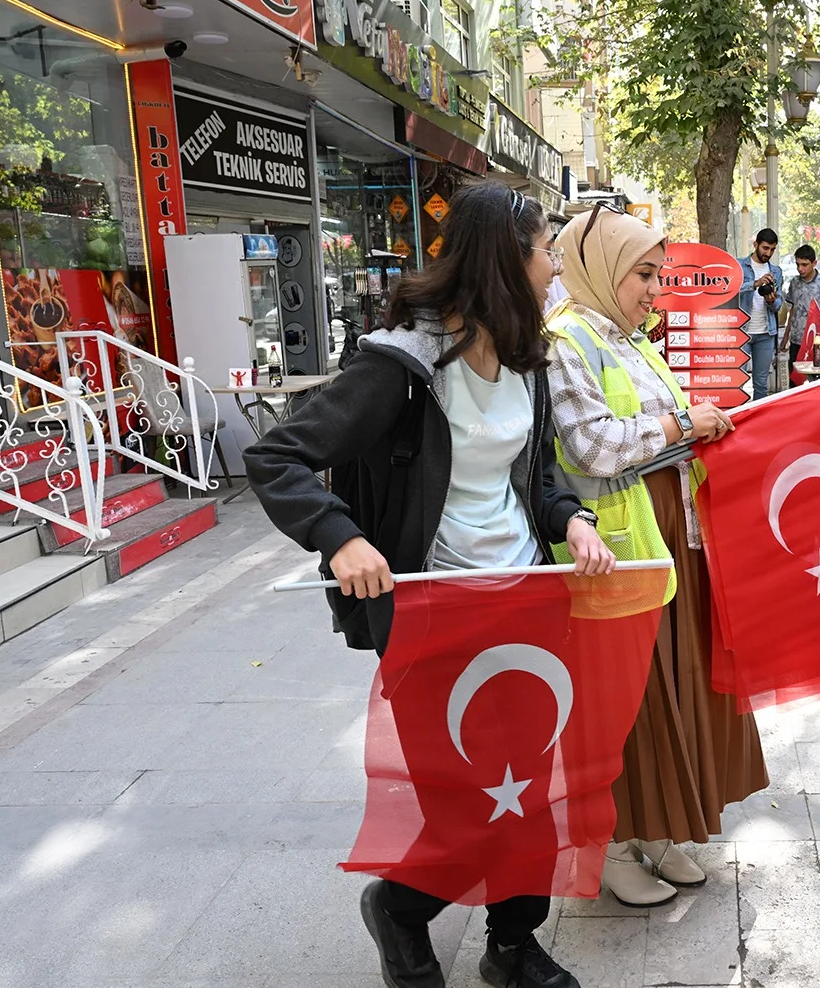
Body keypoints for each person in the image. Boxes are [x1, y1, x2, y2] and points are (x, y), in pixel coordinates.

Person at [245, 184, 614, 988]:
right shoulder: (403, 366)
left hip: (524, 602)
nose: (555, 267)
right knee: (467, 799)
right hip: (435, 614)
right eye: (546, 250)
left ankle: (512, 944)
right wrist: (340, 536)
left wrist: (573, 520)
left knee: (529, 786)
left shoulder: (527, 355)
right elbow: (276, 457)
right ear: (506, 260)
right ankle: (400, 907)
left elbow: (535, 474)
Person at [546, 205, 769, 908]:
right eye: (643, 274)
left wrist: (699, 427)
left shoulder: (628, 338)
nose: (654, 289)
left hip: (666, 540)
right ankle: (611, 843)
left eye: (659, 274)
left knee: (670, 686)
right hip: (615, 552)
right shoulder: (566, 340)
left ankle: (658, 827)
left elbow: (656, 431)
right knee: (628, 699)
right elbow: (591, 445)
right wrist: (679, 423)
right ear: (602, 268)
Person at [737, 228, 782, 400]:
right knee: (737, 382)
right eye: (765, 248)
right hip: (742, 332)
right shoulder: (740, 266)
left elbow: (778, 305)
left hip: (765, 333)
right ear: (755, 245)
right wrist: (755, 284)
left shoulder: (776, 271)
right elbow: (731, 291)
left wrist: (771, 301)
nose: (768, 253)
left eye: (772, 249)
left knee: (761, 384)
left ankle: (759, 416)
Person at [784, 244, 820, 385]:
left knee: (817, 382)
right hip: (796, 340)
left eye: (804, 265)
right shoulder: (795, 282)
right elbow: (793, 309)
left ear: (814, 263)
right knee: (794, 381)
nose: (800, 269)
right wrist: (786, 336)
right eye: (798, 264)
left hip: (817, 342)